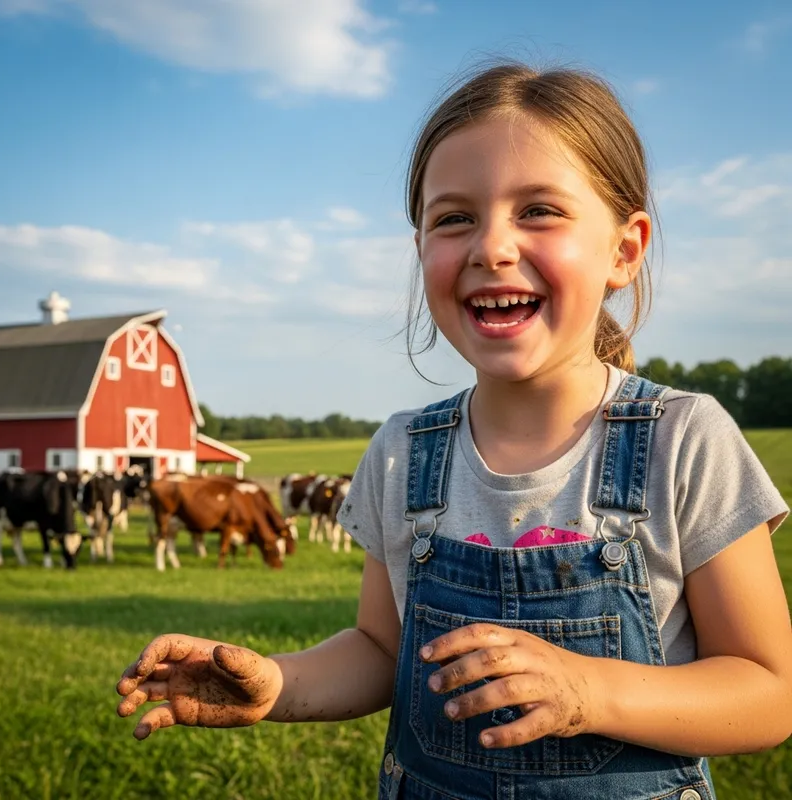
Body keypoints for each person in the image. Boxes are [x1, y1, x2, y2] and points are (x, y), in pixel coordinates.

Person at [116, 62, 791, 799]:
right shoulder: (404, 454)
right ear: (420, 251)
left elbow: (768, 690)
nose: (490, 246)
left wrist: (590, 691)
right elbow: (381, 648)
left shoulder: (682, 440)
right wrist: (278, 683)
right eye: (453, 217)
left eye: (538, 210)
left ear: (624, 251)